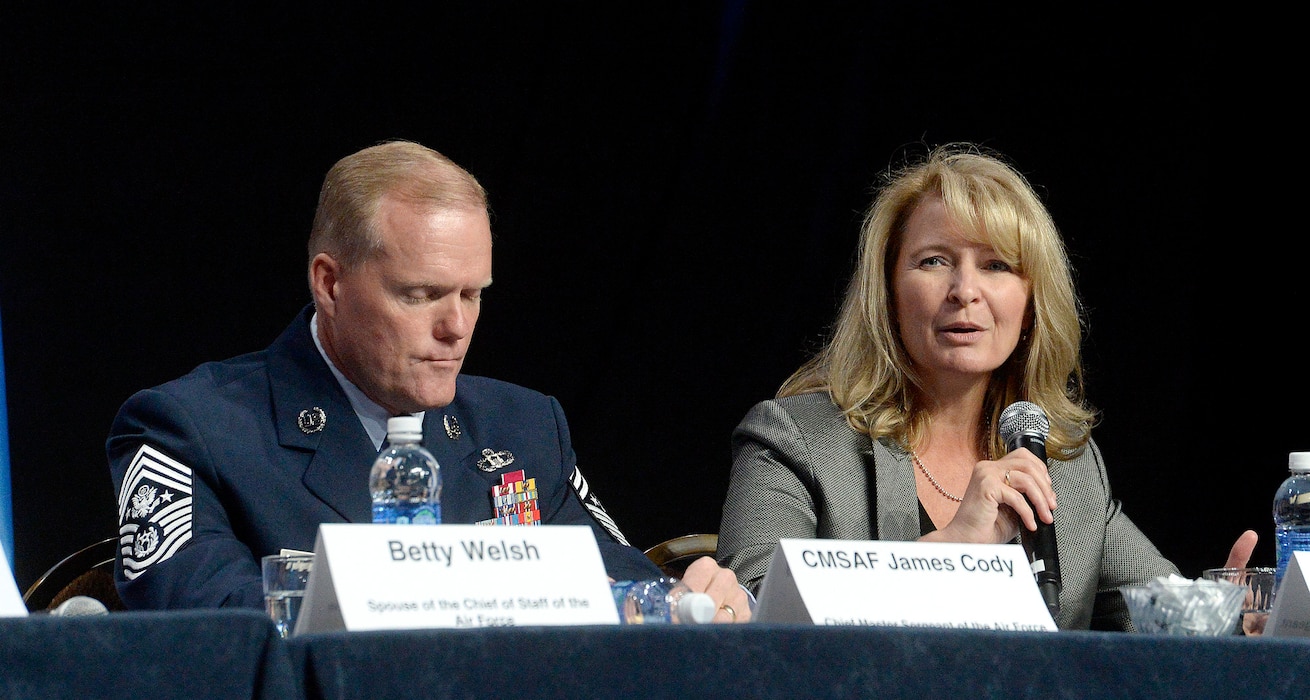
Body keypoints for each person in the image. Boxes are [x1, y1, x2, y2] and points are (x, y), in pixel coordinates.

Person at [107, 139, 751, 622]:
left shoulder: (525, 431)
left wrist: (692, 601)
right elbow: (211, 640)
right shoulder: (190, 432)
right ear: (330, 283)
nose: (457, 327)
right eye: (420, 295)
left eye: (473, 294)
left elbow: (625, 596)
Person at [715, 142, 1253, 630]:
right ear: (888, 294)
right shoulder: (796, 441)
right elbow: (751, 616)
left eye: (996, 265)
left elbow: (1152, 615)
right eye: (934, 261)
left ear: (1030, 304)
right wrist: (951, 550)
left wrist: (1226, 619)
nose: (964, 291)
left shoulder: (1065, 467)